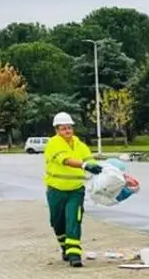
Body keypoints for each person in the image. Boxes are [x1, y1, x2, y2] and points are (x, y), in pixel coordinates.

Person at [44, 112, 102, 268]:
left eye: (69, 128)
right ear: (57, 130)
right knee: (57, 222)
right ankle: (65, 247)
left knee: (73, 220)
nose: (67, 131)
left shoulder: (80, 145)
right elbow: (65, 160)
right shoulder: (53, 144)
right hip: (56, 190)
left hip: (76, 191)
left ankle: (74, 255)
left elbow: (90, 160)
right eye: (63, 129)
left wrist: (98, 168)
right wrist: (84, 165)